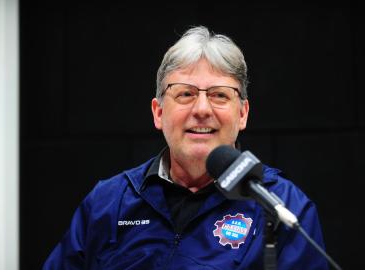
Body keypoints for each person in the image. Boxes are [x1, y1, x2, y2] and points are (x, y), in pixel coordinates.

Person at [43, 26, 329, 269]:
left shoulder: (283, 207)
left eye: (219, 95)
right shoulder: (106, 204)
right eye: (185, 94)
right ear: (158, 113)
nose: (202, 109)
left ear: (242, 114)